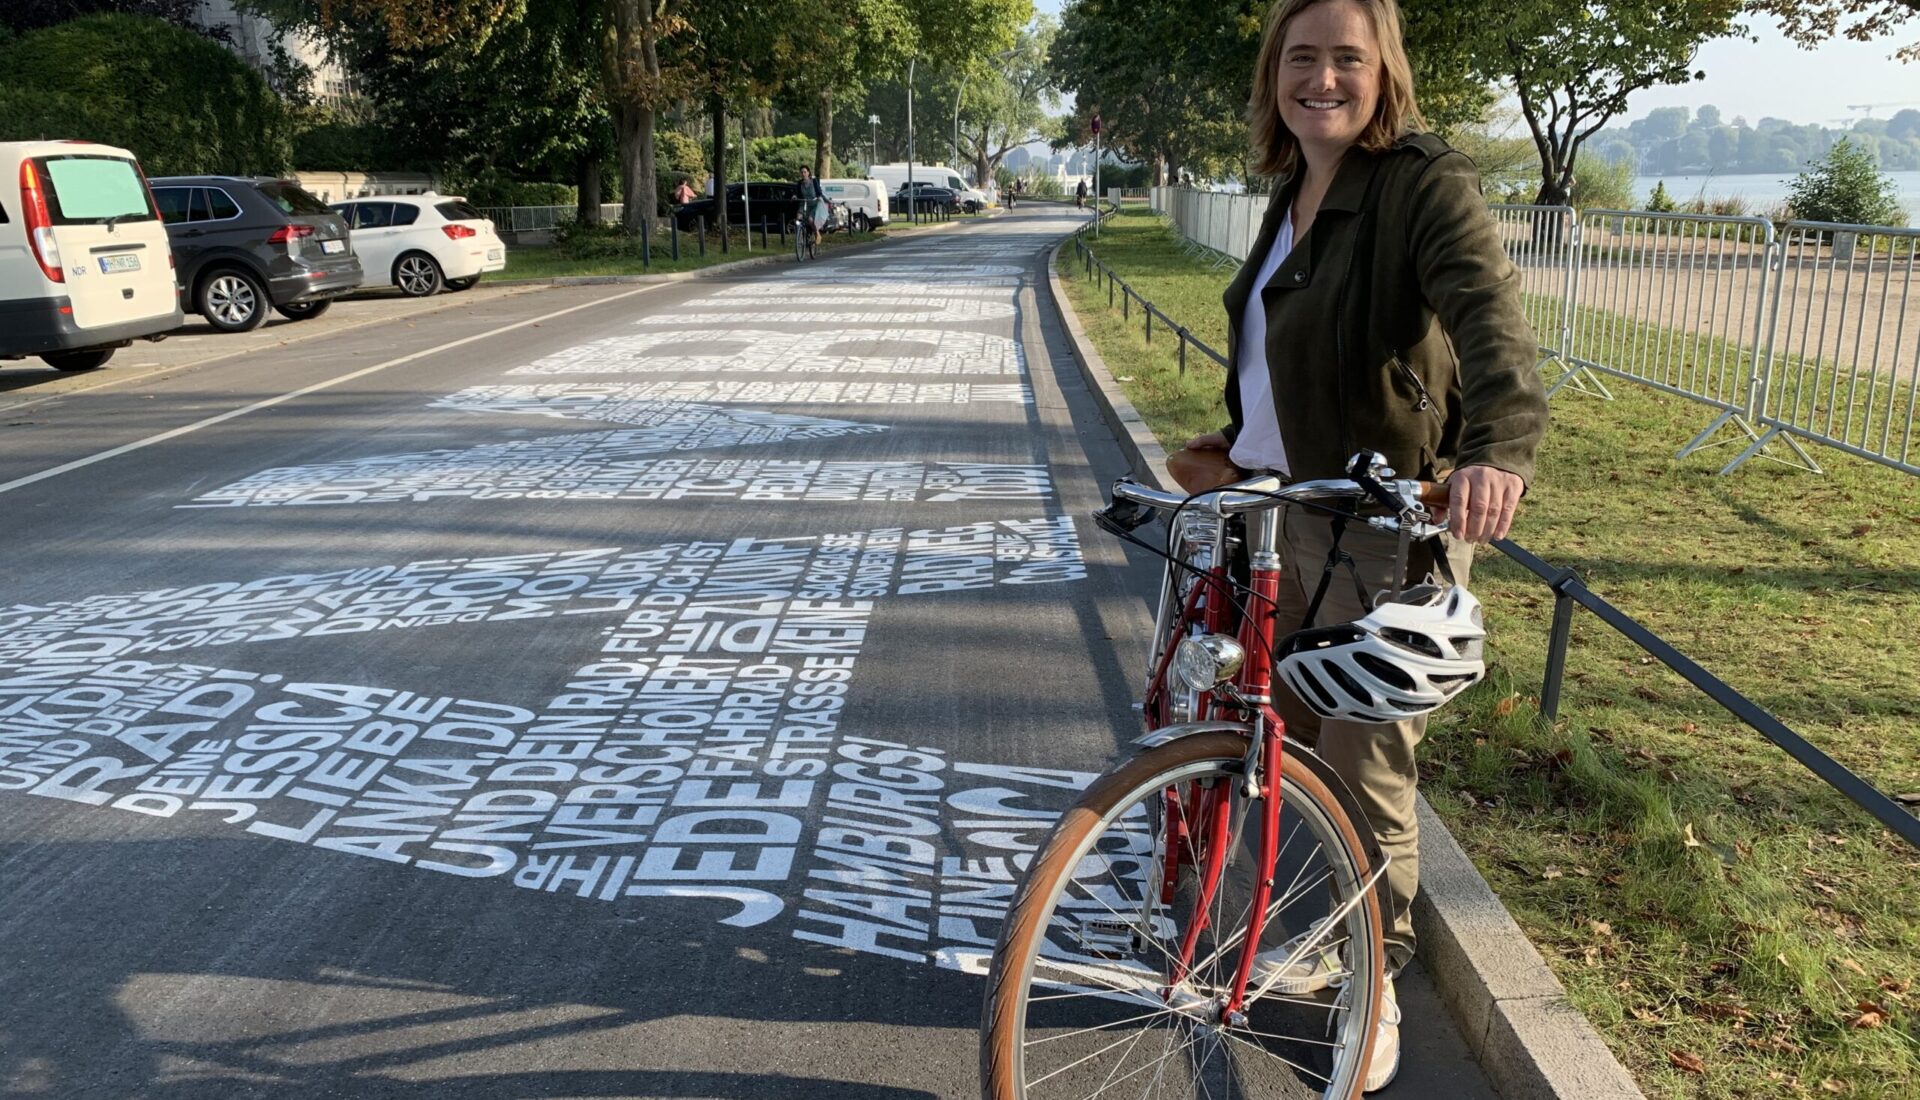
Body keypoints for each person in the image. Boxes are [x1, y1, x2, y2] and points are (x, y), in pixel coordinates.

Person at [1177, 0, 1547, 1090]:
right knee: (1271, 739)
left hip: (1385, 525)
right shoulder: (1292, 188)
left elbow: (1490, 323)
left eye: (1348, 57)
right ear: (1273, 76)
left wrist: (1500, 449)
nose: (1323, 78)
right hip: (1286, 509)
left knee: (1362, 761)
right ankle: (1284, 935)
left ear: (1385, 71)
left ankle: (1373, 978)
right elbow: (1286, 345)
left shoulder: (1419, 183)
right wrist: (1239, 441)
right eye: (1302, 58)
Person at [794, 166, 823, 240]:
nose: (803, 174)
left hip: (813, 204)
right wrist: (794, 196)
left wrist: (819, 197)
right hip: (803, 204)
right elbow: (797, 194)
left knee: (810, 219)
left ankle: (817, 233)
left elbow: (818, 192)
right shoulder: (800, 183)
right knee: (798, 218)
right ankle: (799, 236)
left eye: (805, 172)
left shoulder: (814, 181)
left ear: (808, 172)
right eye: (801, 172)